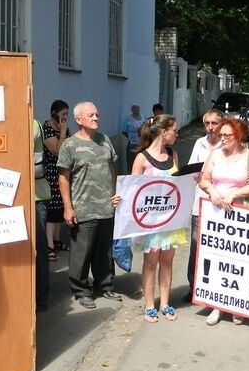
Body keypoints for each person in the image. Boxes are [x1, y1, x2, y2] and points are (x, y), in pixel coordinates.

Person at [199, 118, 249, 326]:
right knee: (219, 258)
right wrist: (211, 190)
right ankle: (218, 305)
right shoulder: (215, 155)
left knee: (239, 262)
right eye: (221, 135)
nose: (223, 139)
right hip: (217, 215)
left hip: (241, 215)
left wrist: (234, 193)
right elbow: (204, 178)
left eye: (228, 135)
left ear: (239, 137)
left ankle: (239, 306)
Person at [58, 102, 121, 309]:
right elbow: (63, 177)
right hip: (83, 208)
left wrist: (114, 192)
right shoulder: (70, 145)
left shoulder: (104, 141)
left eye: (97, 114)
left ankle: (105, 285)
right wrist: (68, 207)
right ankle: (81, 290)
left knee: (104, 251)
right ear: (78, 120)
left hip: (105, 207)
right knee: (82, 252)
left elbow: (112, 168)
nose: (96, 118)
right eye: (91, 115)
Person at [130, 115, 187, 323]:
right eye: (175, 130)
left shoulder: (173, 154)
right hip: (150, 220)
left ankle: (165, 303)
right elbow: (132, 190)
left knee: (167, 261)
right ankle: (149, 305)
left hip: (170, 219)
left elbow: (178, 183)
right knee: (151, 262)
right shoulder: (142, 158)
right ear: (164, 132)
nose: (177, 133)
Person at [183, 108, 224, 302]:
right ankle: (194, 288)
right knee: (196, 245)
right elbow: (191, 170)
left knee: (218, 247)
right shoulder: (199, 143)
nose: (210, 127)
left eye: (214, 123)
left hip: (221, 204)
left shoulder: (228, 144)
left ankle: (215, 289)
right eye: (207, 123)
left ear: (221, 123)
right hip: (199, 203)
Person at [43, 99, 70, 262]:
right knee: (52, 210)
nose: (65, 117)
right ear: (54, 113)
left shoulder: (64, 128)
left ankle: (58, 241)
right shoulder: (47, 128)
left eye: (67, 114)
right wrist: (62, 132)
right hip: (51, 173)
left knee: (61, 207)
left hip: (63, 171)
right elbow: (57, 151)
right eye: (62, 114)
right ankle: (49, 245)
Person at [33, 119, 51, 310]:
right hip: (9, 198)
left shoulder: (32, 124)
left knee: (39, 250)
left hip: (36, 197)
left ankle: (40, 298)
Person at [120, 104, 145, 172]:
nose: (135, 109)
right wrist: (130, 138)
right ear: (132, 110)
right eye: (134, 108)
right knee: (132, 162)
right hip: (132, 144)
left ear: (139, 109)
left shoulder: (143, 118)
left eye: (137, 107)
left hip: (142, 144)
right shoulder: (128, 119)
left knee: (142, 162)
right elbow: (123, 131)